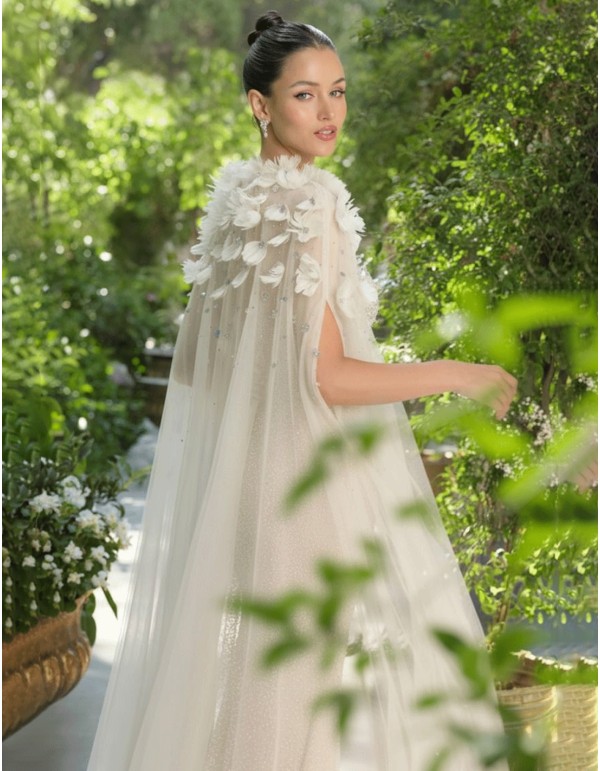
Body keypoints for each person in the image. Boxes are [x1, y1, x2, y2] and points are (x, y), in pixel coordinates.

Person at [88, 12, 516, 771]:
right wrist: (460, 374)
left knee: (265, 695)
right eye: (306, 96)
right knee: (292, 713)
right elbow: (327, 376)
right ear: (261, 104)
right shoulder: (308, 205)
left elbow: (200, 369)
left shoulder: (233, 203)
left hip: (247, 480)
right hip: (303, 490)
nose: (329, 115)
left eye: (338, 93)